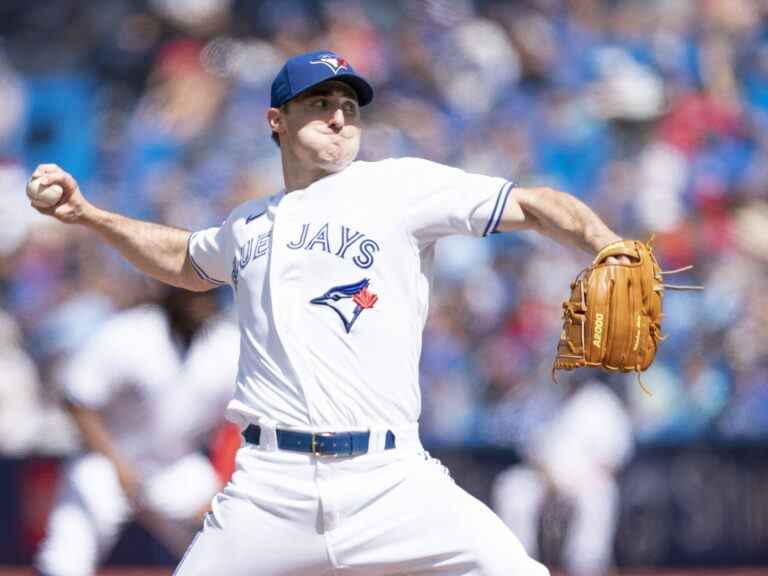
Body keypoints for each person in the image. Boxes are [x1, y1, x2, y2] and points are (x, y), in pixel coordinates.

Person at [29, 50, 630, 576]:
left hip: (389, 477)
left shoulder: (398, 187)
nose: (340, 116)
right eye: (319, 103)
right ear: (277, 120)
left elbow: (533, 204)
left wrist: (609, 245)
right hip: (270, 487)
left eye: (349, 103)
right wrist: (90, 215)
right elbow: (186, 258)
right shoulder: (248, 225)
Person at [34, 288, 239, 576]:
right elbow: (78, 398)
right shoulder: (130, 332)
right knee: (66, 556)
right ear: (172, 292)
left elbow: (241, 422)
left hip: (176, 466)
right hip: (108, 461)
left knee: (226, 537)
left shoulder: (227, 342)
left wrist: (224, 483)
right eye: (193, 294)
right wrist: (118, 464)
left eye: (208, 294)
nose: (200, 302)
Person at [491, 377, 634, 576]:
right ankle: (518, 565)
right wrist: (547, 474)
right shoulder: (544, 398)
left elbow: (614, 457)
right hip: (544, 477)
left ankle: (586, 568)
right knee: (512, 487)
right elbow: (530, 447)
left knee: (600, 496)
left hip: (586, 480)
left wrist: (577, 479)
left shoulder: (602, 401)